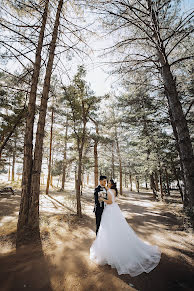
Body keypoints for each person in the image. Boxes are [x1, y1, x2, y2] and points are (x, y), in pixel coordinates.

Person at [90, 179, 161, 276]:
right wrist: (104, 188)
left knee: (110, 229)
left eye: (109, 183)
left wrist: (102, 199)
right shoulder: (112, 190)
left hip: (110, 210)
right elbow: (107, 190)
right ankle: (109, 250)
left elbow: (110, 201)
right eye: (107, 183)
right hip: (113, 210)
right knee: (110, 229)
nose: (107, 184)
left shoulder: (111, 191)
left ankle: (112, 252)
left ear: (112, 184)